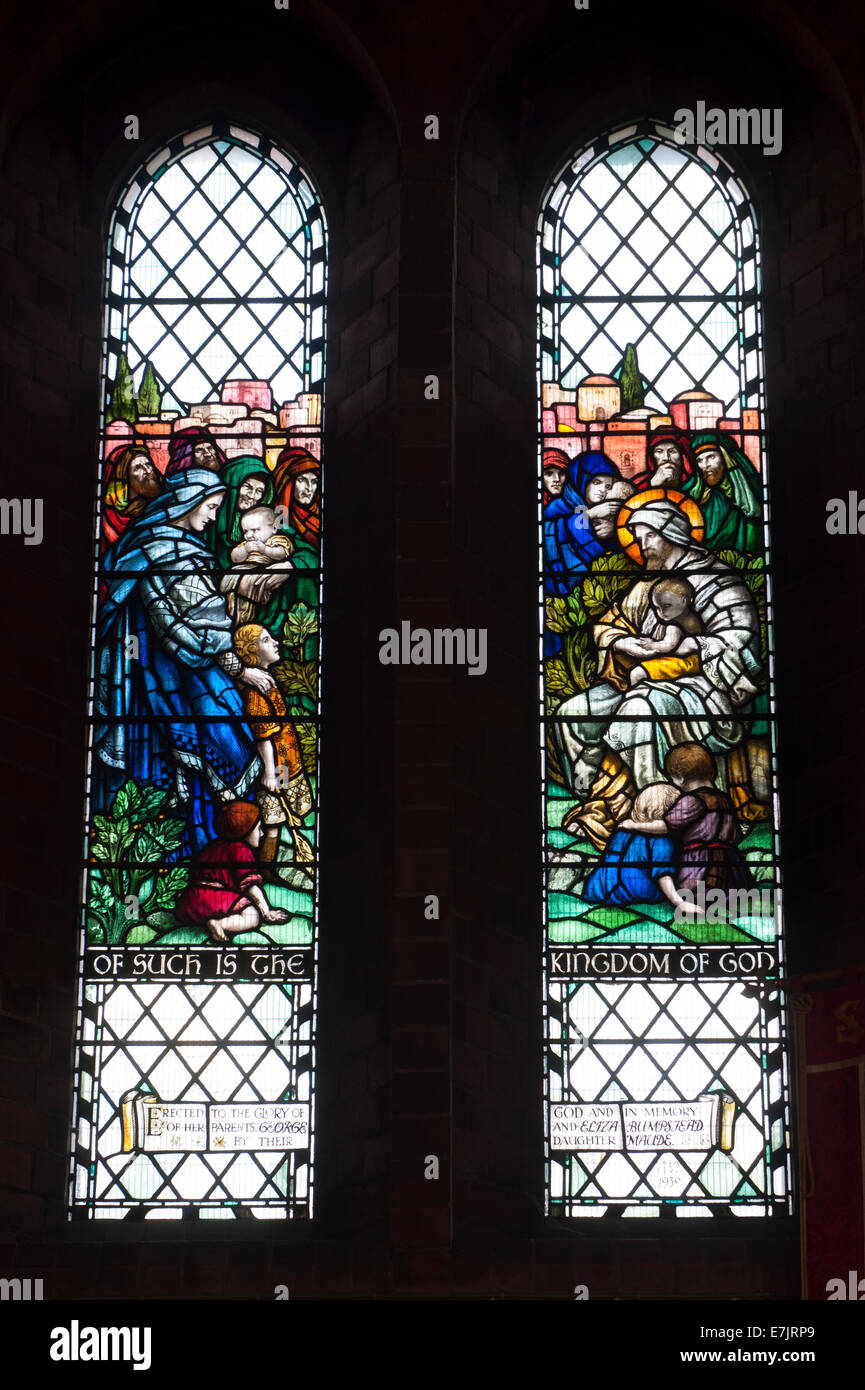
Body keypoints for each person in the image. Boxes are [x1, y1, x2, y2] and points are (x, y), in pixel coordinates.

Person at [552, 497, 762, 843]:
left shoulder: (719, 581)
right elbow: (608, 625)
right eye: (636, 536)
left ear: (672, 533)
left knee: (639, 710)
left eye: (647, 536)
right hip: (640, 676)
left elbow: (741, 639)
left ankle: (658, 819)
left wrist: (696, 645)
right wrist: (622, 643)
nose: (641, 545)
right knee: (571, 713)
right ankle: (609, 800)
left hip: (703, 686)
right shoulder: (648, 583)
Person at [94, 469, 275, 855]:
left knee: (206, 753)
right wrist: (242, 671)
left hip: (164, 678)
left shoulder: (162, 549)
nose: (212, 517)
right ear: (187, 502)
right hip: (166, 682)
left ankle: (205, 861)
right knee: (219, 745)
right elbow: (195, 633)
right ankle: (190, 860)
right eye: (210, 507)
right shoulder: (166, 555)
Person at [619, 743, 752, 895]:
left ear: (680, 778)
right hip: (732, 864)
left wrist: (634, 826)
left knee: (699, 896)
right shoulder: (724, 800)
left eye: (672, 779)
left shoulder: (692, 800)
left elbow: (665, 826)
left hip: (699, 864)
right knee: (733, 895)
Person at [233, 623, 313, 876]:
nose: (276, 642)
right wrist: (269, 772)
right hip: (274, 768)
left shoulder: (267, 682)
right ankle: (264, 873)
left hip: (284, 764)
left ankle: (271, 868)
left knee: (283, 817)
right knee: (273, 822)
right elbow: (262, 735)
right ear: (252, 652)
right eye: (267, 640)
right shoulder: (256, 692)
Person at [175, 799, 290, 942]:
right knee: (252, 916)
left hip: (188, 903)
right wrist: (266, 912)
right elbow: (251, 886)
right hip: (214, 897)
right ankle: (219, 924)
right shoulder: (240, 849)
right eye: (259, 828)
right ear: (245, 830)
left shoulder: (213, 847)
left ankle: (214, 920)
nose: (261, 833)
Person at [583, 781, 693, 909]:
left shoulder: (624, 829)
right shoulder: (661, 840)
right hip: (632, 890)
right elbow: (663, 875)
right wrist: (679, 902)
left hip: (598, 887)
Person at [543, 451, 623, 596]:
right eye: (597, 482)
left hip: (603, 588)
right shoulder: (558, 507)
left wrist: (615, 532)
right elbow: (549, 535)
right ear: (581, 480)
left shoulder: (611, 511)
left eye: (608, 487)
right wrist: (590, 514)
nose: (602, 491)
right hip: (564, 591)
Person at [611, 576, 702, 689]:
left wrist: (651, 645)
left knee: (637, 673)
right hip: (677, 659)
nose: (661, 613)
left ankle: (635, 699)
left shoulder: (675, 625)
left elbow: (668, 646)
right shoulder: (680, 616)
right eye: (657, 608)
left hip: (685, 663)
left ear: (684, 600)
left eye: (667, 606)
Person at [684, 430, 763, 556]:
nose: (705, 465)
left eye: (711, 457)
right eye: (699, 460)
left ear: (726, 458)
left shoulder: (748, 499)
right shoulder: (695, 498)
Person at [211, 454, 275, 573]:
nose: (251, 496)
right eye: (247, 487)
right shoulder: (209, 521)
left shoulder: (270, 520)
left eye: (259, 491)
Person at [101, 444, 162, 550]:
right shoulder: (107, 517)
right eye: (138, 467)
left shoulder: (158, 507)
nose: (148, 470)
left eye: (148, 464)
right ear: (124, 475)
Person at [271, 447, 321, 547]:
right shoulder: (279, 516)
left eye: (314, 481)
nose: (309, 488)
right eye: (302, 480)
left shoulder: (320, 515)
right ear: (289, 483)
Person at [631, 426, 696, 491]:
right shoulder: (639, 484)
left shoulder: (696, 484)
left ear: (682, 455)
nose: (666, 458)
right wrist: (652, 485)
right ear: (652, 456)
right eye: (659, 451)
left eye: (672, 451)